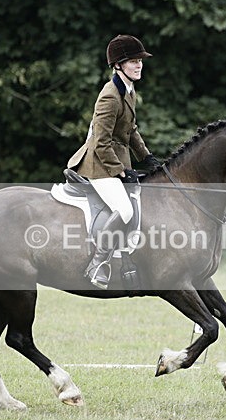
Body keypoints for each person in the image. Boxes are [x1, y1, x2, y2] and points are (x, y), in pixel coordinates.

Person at [66, 35, 162, 289]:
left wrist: (147, 157)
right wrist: (121, 172)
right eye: (132, 61)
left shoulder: (128, 90)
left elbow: (130, 131)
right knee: (126, 209)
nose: (139, 65)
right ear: (118, 65)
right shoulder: (110, 96)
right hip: (98, 166)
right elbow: (100, 143)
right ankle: (97, 262)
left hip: (114, 162)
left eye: (139, 60)